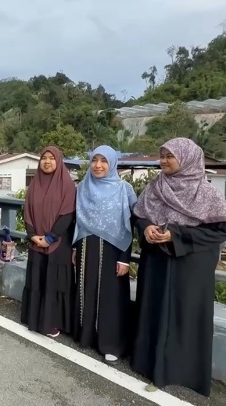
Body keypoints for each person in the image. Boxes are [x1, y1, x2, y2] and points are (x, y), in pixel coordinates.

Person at [130, 137, 226, 396]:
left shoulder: (206, 193)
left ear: (187, 159)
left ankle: (182, 373)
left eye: (170, 156)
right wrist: (147, 228)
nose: (163, 161)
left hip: (190, 268)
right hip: (156, 263)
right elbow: (138, 215)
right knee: (153, 311)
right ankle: (150, 365)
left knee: (184, 317)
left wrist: (175, 235)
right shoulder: (156, 187)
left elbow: (222, 230)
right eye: (162, 155)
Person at [71, 145, 137, 361]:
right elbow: (77, 220)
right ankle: (86, 336)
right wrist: (74, 247)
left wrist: (125, 259)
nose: (98, 165)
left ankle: (110, 343)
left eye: (104, 161)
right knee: (86, 289)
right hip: (86, 247)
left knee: (111, 296)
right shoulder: (83, 187)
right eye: (94, 160)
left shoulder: (123, 189)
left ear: (112, 164)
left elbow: (130, 225)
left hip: (113, 250)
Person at [20, 146, 76, 337]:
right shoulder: (34, 184)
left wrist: (50, 237)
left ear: (58, 161)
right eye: (44, 158)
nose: (47, 162)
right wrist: (32, 235)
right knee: (37, 279)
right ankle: (34, 318)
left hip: (58, 243)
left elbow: (67, 214)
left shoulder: (67, 185)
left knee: (54, 282)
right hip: (36, 241)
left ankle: (52, 322)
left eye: (52, 158)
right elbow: (27, 211)